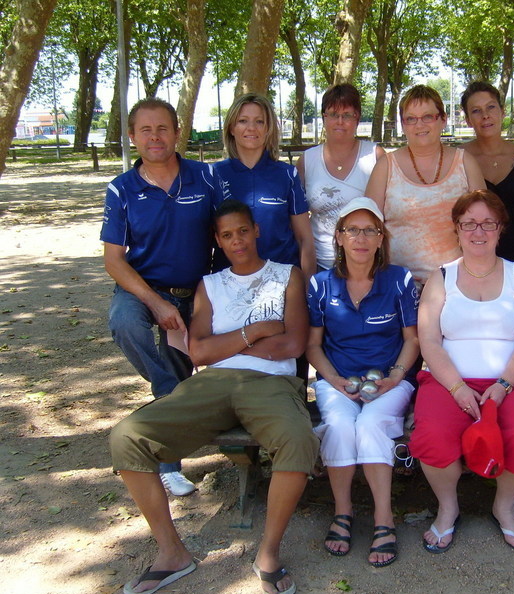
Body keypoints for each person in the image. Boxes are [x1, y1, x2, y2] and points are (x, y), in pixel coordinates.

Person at [111, 199, 317, 594]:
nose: (236, 240)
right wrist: (255, 331)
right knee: (126, 436)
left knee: (298, 439)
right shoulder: (210, 284)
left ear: (256, 230)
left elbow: (292, 343)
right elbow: (200, 354)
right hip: (212, 383)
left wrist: (227, 346)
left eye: (242, 230)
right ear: (218, 241)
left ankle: (269, 554)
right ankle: (172, 553)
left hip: (271, 384)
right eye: (226, 235)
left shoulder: (287, 276)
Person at [410, 190, 514, 553]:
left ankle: (504, 507)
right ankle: (448, 507)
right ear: (457, 229)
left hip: (510, 382)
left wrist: (503, 385)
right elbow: (430, 342)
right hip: (449, 380)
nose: (478, 231)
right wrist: (456, 388)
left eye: (488, 223)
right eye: (469, 223)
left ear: (501, 229)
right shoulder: (442, 278)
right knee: (434, 433)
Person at [101, 98, 223, 497]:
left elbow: (227, 236)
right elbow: (114, 261)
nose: (155, 137)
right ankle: (169, 391)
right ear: (132, 136)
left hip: (196, 289)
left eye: (163, 129)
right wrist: (156, 302)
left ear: (176, 132)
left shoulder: (204, 177)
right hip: (140, 289)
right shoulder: (121, 189)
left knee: (181, 359)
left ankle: (170, 464)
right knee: (124, 323)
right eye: (145, 130)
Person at [306, 197, 420, 567]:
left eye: (369, 230)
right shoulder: (321, 284)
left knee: (370, 424)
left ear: (380, 238)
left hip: (389, 380)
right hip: (337, 379)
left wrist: (395, 377)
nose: (360, 238)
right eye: (352, 230)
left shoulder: (398, 280)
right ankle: (343, 511)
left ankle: (383, 518)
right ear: (338, 237)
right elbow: (313, 345)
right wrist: (335, 380)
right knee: (340, 424)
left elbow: (412, 339)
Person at [364, 85, 485, 284]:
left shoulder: (466, 163)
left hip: (458, 283)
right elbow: (369, 228)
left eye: (427, 116)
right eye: (411, 118)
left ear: (443, 119)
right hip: (398, 286)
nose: (419, 125)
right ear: (402, 124)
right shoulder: (386, 166)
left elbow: (484, 227)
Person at [214, 93, 316, 279]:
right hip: (230, 283)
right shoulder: (214, 175)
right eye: (243, 121)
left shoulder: (286, 174)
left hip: (282, 280)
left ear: (268, 128)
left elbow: (305, 239)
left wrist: (309, 290)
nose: (251, 128)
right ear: (231, 128)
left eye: (259, 122)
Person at [460, 81, 514, 296]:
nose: (485, 115)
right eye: (476, 111)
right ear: (468, 119)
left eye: (491, 107)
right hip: (476, 256)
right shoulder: (458, 159)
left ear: (502, 111)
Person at [297, 83, 385, 271]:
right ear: (324, 118)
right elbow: (298, 220)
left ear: (357, 119)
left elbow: (388, 216)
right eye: (333, 115)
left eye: (347, 115)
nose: (340, 121)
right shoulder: (307, 160)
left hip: (366, 267)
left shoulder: (375, 156)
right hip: (321, 264)